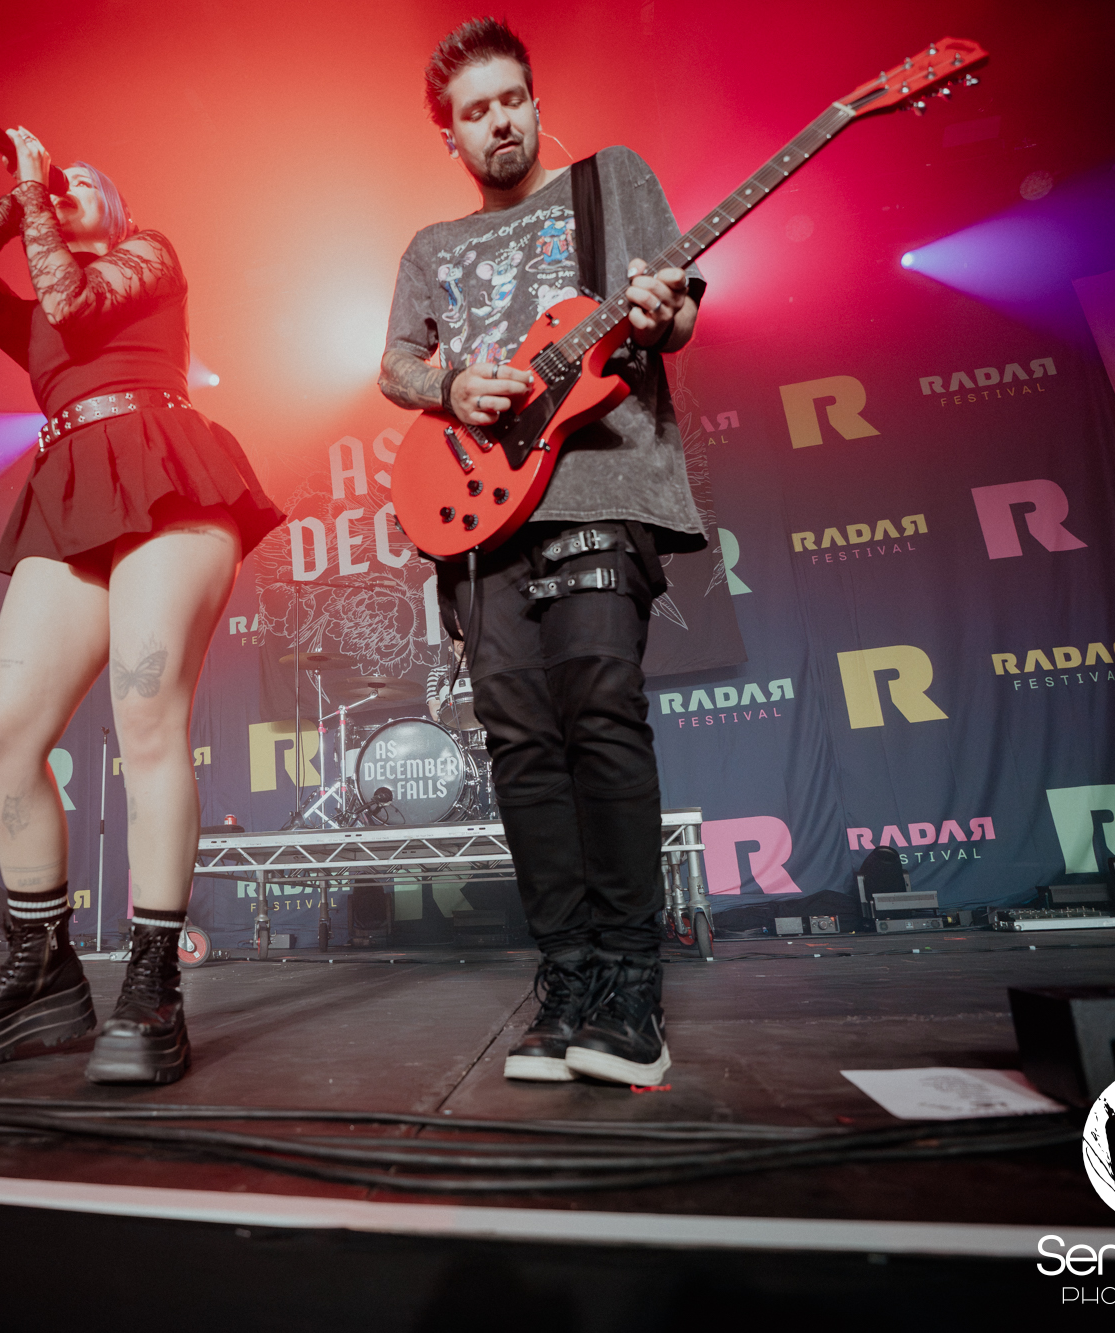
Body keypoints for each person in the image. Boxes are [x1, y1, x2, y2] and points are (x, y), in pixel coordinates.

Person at [379, 18, 705, 1086]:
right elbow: (394, 366)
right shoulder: (432, 246)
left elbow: (675, 319)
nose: (499, 122)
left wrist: (658, 314)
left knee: (599, 712)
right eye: (474, 111)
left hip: (600, 484)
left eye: (510, 98)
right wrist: (448, 385)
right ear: (451, 137)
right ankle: (567, 981)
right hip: (483, 515)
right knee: (520, 743)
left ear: (533, 101)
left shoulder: (611, 184)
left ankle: (631, 991)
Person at [0, 124, 279, 1083]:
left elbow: (74, 301)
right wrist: (23, 191)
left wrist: (39, 190)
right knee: (3, 733)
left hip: (163, 465)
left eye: (86, 180)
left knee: (144, 711)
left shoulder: (148, 255)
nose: (64, 186)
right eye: (60, 182)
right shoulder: (37, 300)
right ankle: (43, 966)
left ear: (121, 210)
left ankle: (153, 981)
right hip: (73, 487)